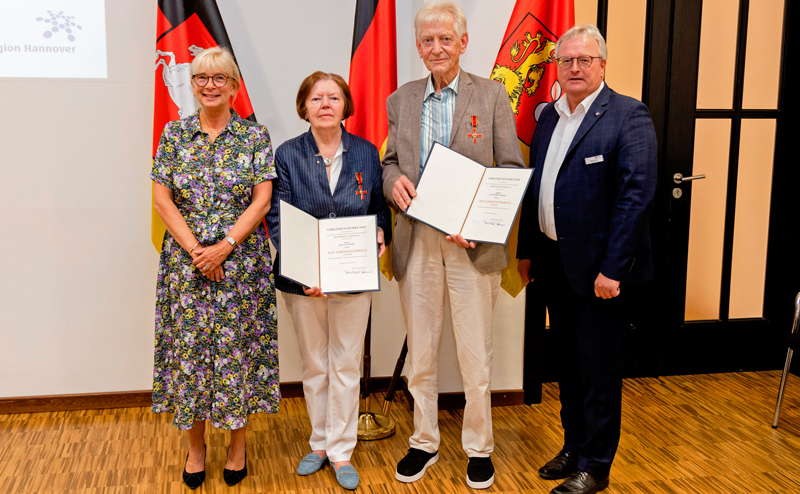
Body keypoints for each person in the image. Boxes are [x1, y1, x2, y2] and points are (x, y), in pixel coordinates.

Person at [381, 1, 524, 489]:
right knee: (421, 352)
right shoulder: (400, 100)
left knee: (474, 354)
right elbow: (390, 160)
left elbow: (508, 168)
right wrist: (392, 181)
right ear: (418, 47)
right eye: (427, 40)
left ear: (463, 43)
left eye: (446, 38)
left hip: (471, 246)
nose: (436, 47)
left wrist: (479, 223)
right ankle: (423, 441)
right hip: (416, 240)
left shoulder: (492, 96)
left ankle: (479, 447)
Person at [516, 25, 657, 494]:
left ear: (601, 65)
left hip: (601, 274)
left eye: (584, 60)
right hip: (555, 264)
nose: (575, 68)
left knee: (598, 372)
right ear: (558, 66)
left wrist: (613, 269)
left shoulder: (627, 115)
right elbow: (536, 190)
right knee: (569, 367)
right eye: (567, 61)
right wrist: (528, 253)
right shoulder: (550, 118)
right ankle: (574, 448)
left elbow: (635, 199)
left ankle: (595, 466)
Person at [150, 46, 280, 490]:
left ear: (233, 86)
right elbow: (162, 198)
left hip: (241, 266)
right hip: (186, 267)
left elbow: (262, 199)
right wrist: (197, 251)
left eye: (219, 78)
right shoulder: (174, 135)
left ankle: (238, 445)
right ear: (193, 84)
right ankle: (196, 448)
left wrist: (223, 247)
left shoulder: (255, 137)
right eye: (202, 77)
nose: (210, 85)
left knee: (236, 354)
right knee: (192, 356)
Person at [265, 71, 392, 491]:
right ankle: (318, 442)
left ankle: (341, 451)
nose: (324, 104)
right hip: (303, 283)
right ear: (304, 107)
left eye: (333, 97)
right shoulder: (286, 154)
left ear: (345, 106)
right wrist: (305, 271)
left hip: (352, 278)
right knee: (316, 364)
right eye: (316, 98)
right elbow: (276, 216)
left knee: (346, 365)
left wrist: (380, 234)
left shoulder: (367, 153)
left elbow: (378, 208)